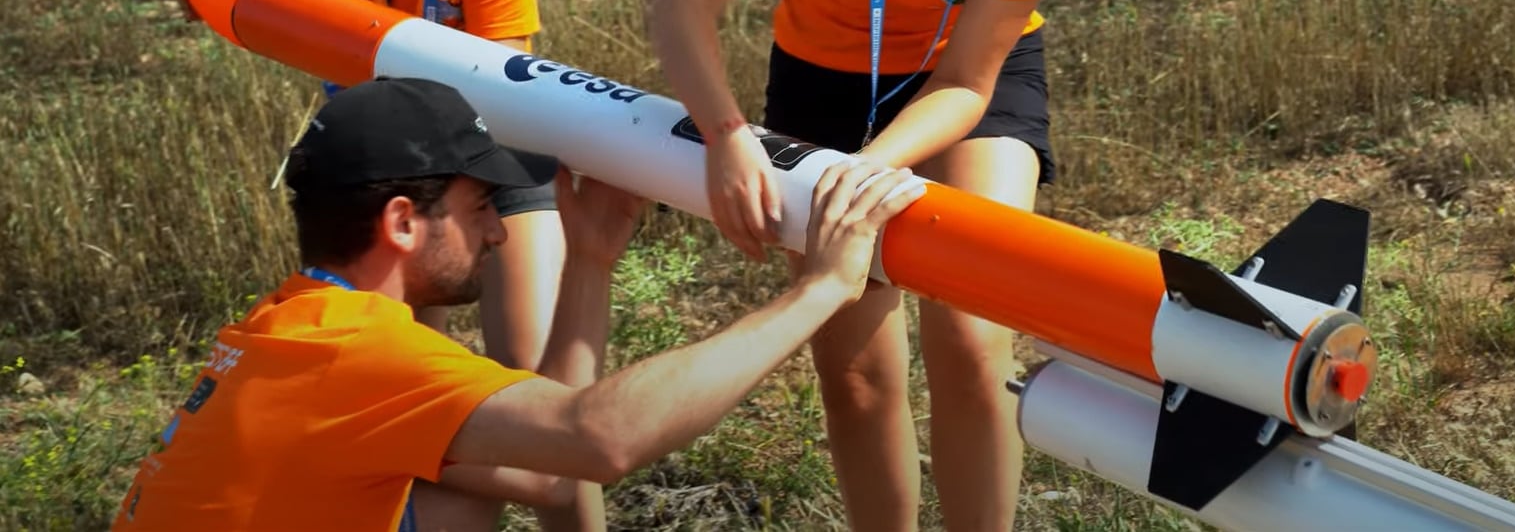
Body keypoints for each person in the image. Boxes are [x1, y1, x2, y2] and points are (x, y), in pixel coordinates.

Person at [109, 77, 925, 532]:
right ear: (401, 222)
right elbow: (602, 439)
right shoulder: (361, 356)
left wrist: (592, 263)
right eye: (477, 209)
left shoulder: (301, 327)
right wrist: (820, 286)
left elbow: (548, 469)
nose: (499, 236)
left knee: (462, 496)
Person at [648, 0, 1074, 531]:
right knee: (852, 366)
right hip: (825, 73)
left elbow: (965, 82)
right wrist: (730, 137)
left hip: (962, 79)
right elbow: (681, 3)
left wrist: (868, 172)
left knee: (971, 333)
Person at [269, 0, 596, 528]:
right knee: (410, 391)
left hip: (493, 154)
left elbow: (503, 94)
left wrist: (452, 203)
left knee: (535, 393)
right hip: (388, 172)